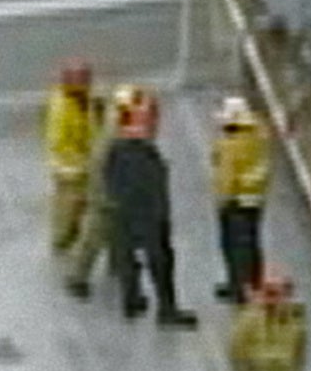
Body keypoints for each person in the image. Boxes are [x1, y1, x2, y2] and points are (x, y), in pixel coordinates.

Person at [102, 88, 199, 328]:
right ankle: (166, 309)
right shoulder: (141, 153)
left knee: (127, 256)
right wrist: (161, 216)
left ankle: (132, 300)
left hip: (124, 211)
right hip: (146, 215)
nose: (156, 122)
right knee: (159, 259)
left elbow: (110, 180)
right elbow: (153, 189)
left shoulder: (116, 149)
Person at [65, 84, 135, 300]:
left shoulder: (116, 125)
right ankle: (78, 277)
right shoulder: (116, 133)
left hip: (112, 190)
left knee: (116, 229)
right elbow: (102, 165)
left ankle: (116, 263)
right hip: (106, 192)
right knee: (94, 235)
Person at [210, 95, 270, 304]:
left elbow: (227, 176)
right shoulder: (258, 137)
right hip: (255, 199)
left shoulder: (231, 145)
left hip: (235, 201)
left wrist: (222, 200)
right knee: (251, 244)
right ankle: (253, 283)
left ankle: (238, 287)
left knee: (234, 246)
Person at [43, 60, 101, 255]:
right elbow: (58, 141)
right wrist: (81, 157)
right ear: (68, 80)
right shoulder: (62, 107)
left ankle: (69, 234)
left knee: (79, 203)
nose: (87, 82)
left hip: (82, 165)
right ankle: (62, 239)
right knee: (68, 205)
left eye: (87, 78)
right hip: (70, 168)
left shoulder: (83, 98)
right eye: (82, 79)